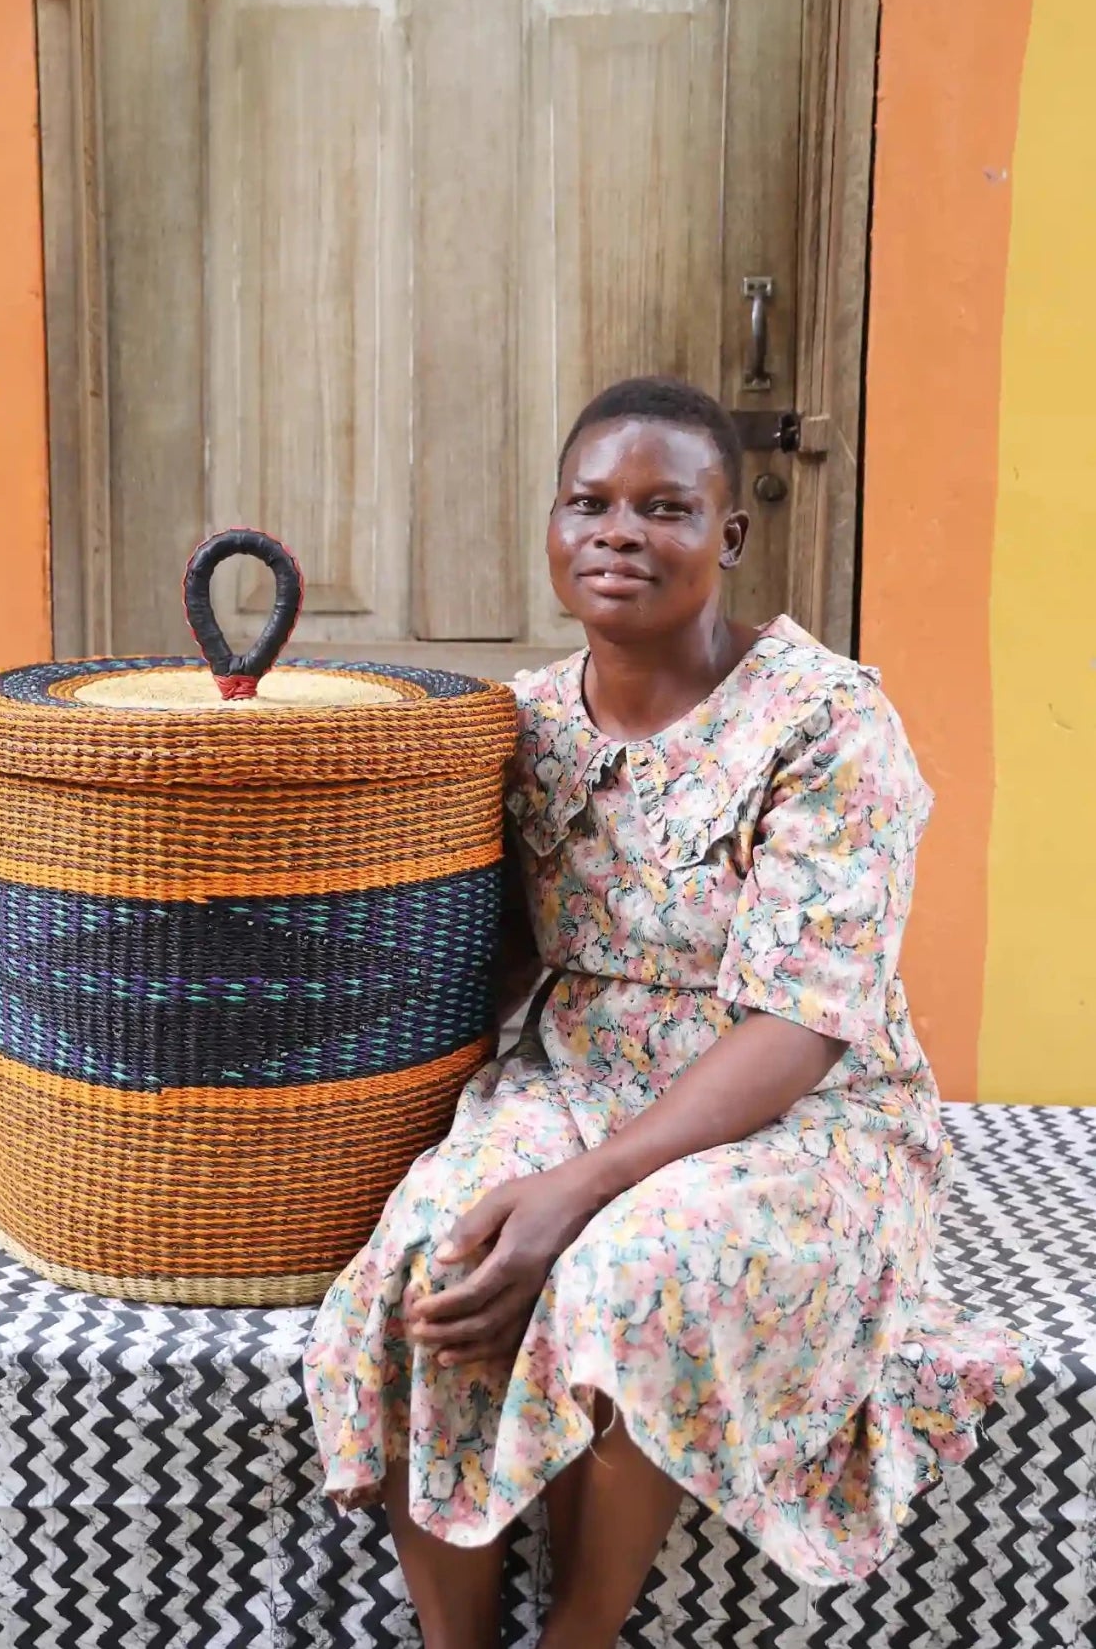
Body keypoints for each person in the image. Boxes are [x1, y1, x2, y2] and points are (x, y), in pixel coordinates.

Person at [303, 377, 1032, 1649]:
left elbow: (801, 1026)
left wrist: (581, 1187)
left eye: (665, 507)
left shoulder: (826, 724)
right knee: (438, 1255)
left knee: (638, 1271)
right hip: (571, 1073)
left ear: (729, 538)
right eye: (588, 502)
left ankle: (579, 1635)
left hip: (797, 1104)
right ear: (550, 527)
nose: (618, 531)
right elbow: (466, 939)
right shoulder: (518, 724)